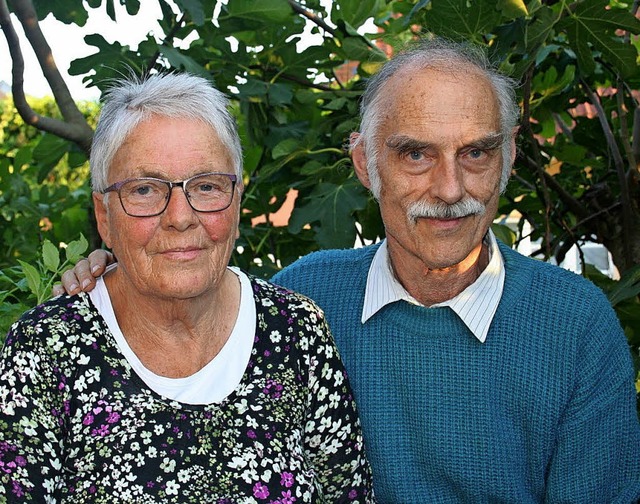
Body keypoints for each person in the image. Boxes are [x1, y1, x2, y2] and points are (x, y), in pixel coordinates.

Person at [55, 38, 640, 503]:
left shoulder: (576, 329)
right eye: (415, 154)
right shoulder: (303, 305)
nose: (450, 188)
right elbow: (188, 317)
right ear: (364, 163)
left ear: (509, 156)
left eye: (476, 153)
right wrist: (116, 270)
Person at [0, 72, 375, 503]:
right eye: (144, 189)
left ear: (236, 203)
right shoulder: (47, 348)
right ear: (104, 216)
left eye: (206, 186)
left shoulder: (295, 329)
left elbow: (348, 494)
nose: (180, 217)